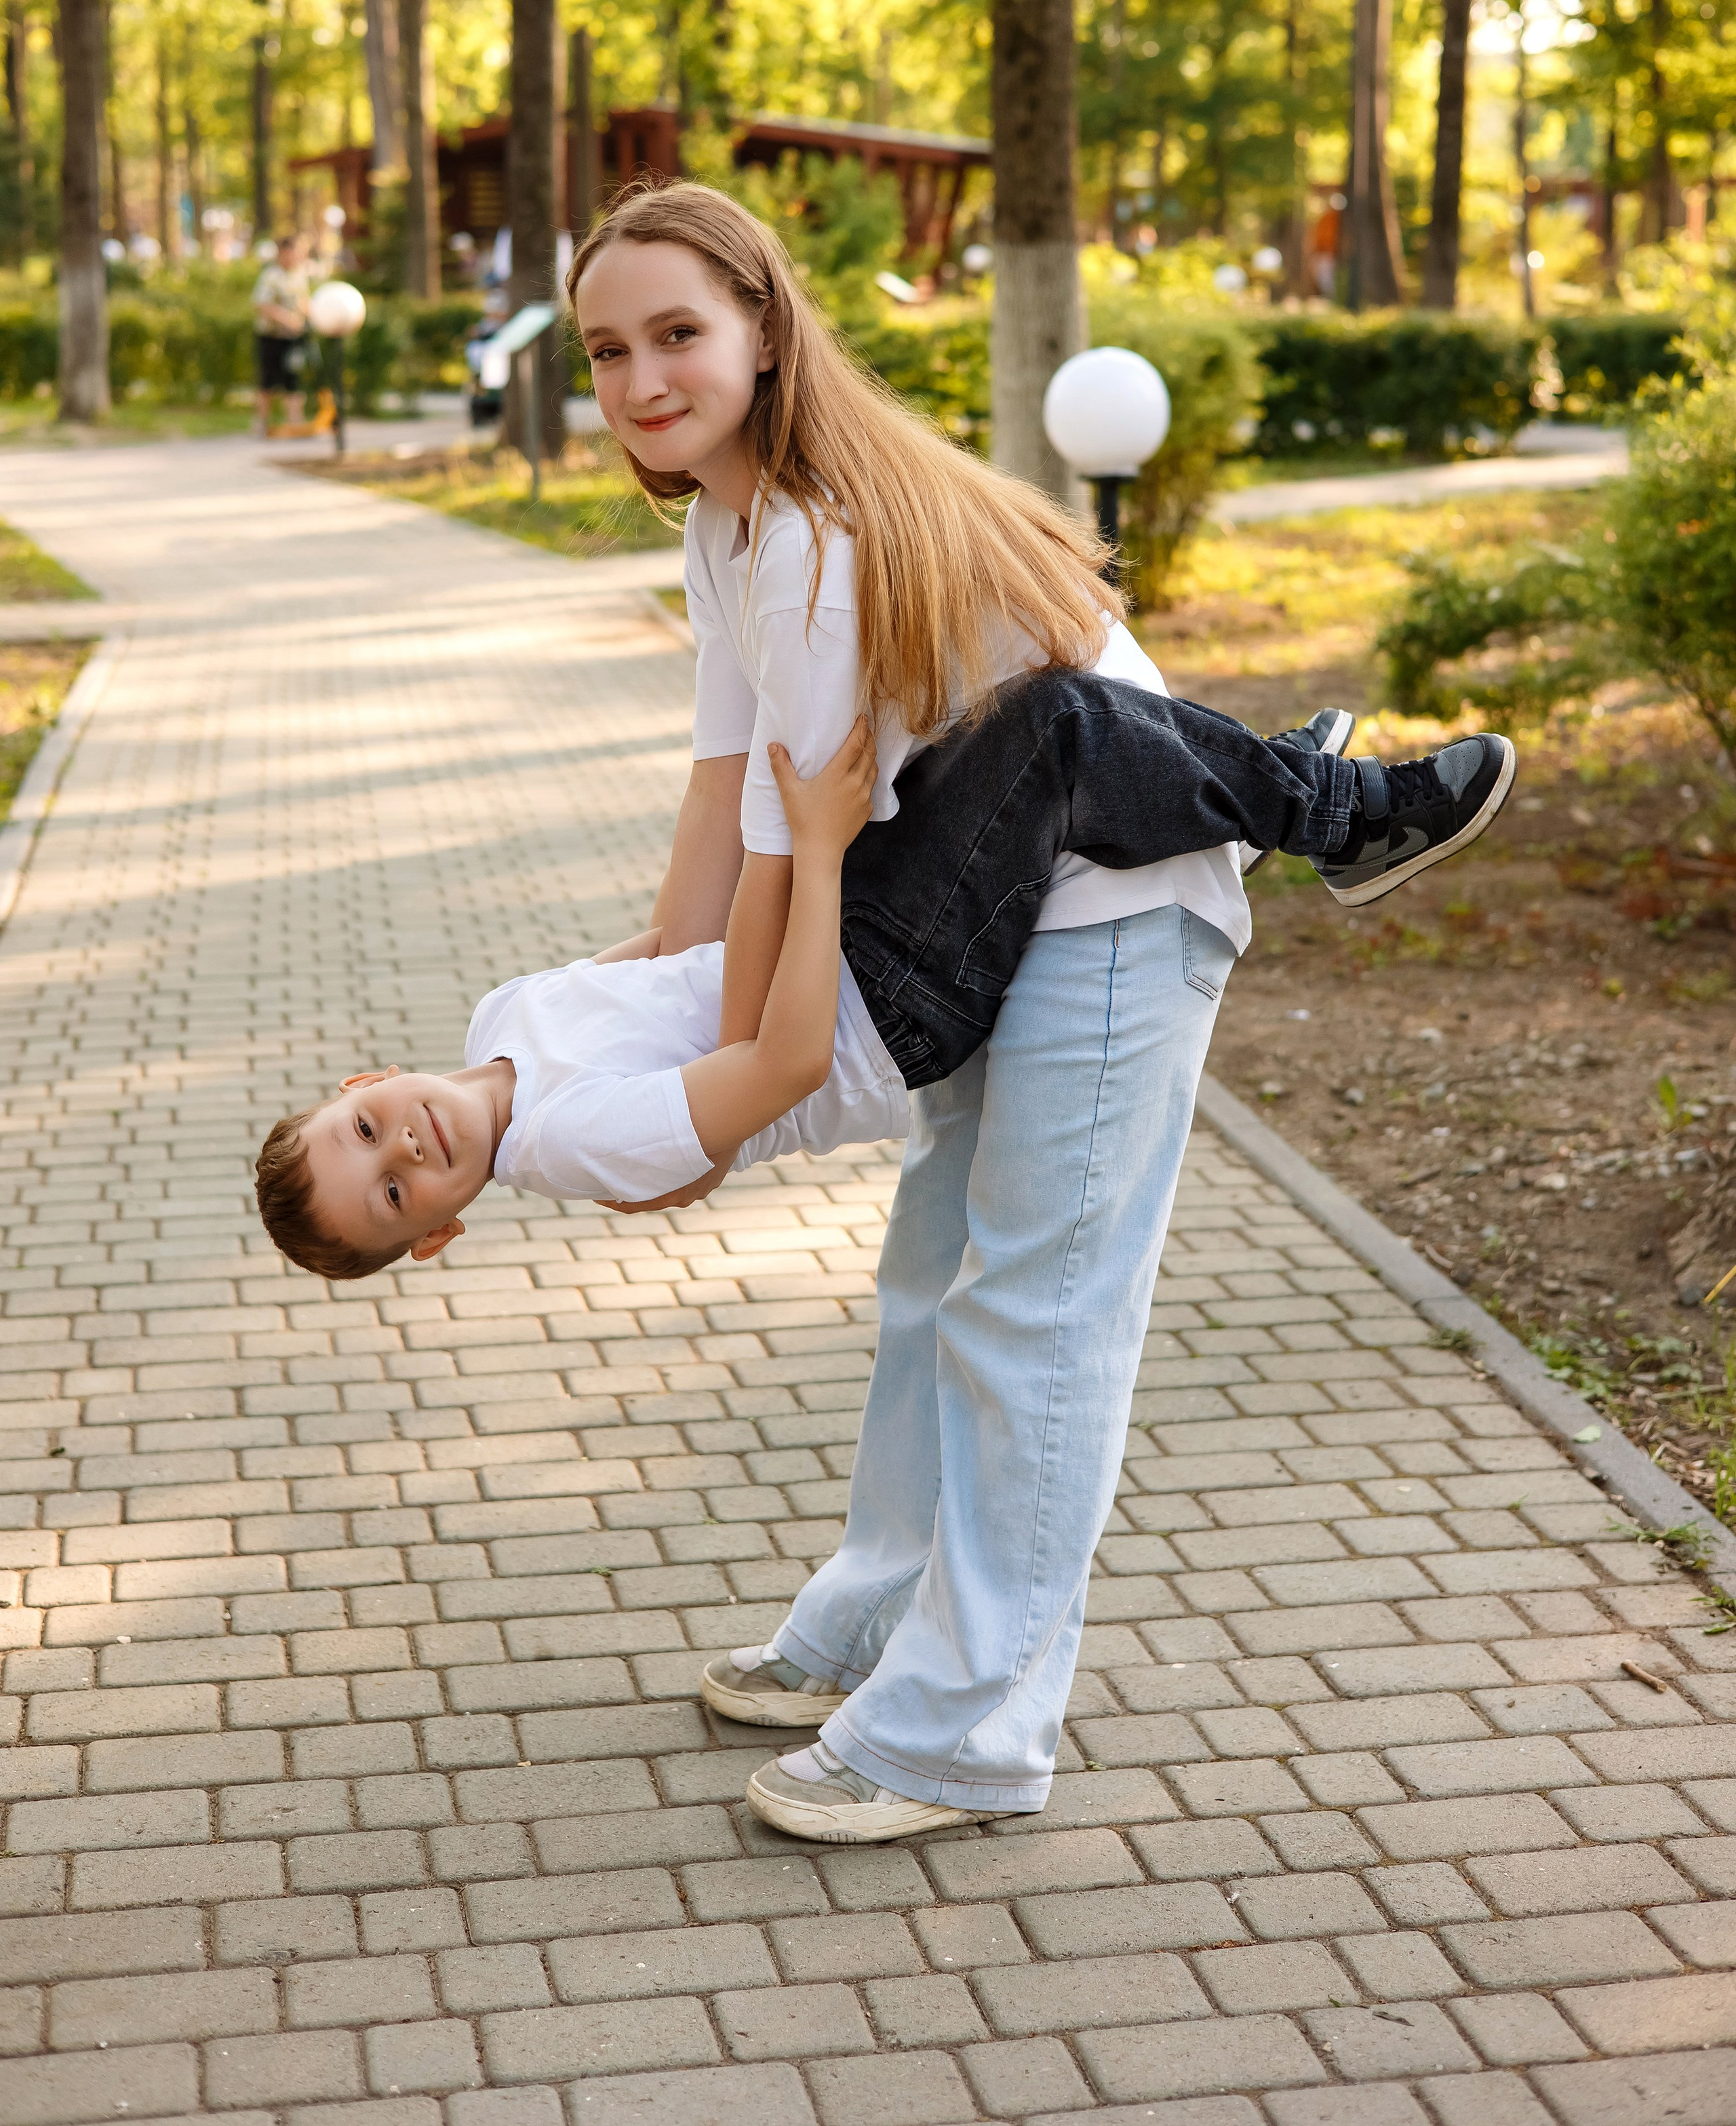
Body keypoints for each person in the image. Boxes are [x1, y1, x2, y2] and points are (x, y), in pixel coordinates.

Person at [560, 179, 1519, 1845]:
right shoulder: (728, 528)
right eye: (603, 350)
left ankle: (963, 1729)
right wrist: (652, 994)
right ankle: (876, 1624)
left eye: (676, 333)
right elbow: (722, 791)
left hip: (1111, 899)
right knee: (929, 1290)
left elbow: (788, 856)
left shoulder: (811, 543)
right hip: (985, 900)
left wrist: (713, 1083)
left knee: (1034, 1313)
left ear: (766, 332)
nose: (639, 379)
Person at [252, 669, 1516, 1280]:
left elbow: (676, 956)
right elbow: (784, 1062)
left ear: (365, 1080)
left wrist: (773, 816)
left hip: (843, 940)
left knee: (967, 720)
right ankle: (1347, 815)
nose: (404, 1148)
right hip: (890, 1006)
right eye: (397, 1195)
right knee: (1052, 732)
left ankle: (1254, 797)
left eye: (365, 1131)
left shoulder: (503, 1019)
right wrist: (808, 848)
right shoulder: (574, 1142)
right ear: (438, 1235)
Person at [252, 234, 312, 435]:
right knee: (267, 380)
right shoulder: (271, 276)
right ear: (283, 253)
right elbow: (262, 305)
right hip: (271, 336)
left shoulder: (299, 274)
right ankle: (261, 422)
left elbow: (303, 301)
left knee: (292, 380)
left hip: (294, 337)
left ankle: (295, 422)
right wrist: (287, 319)